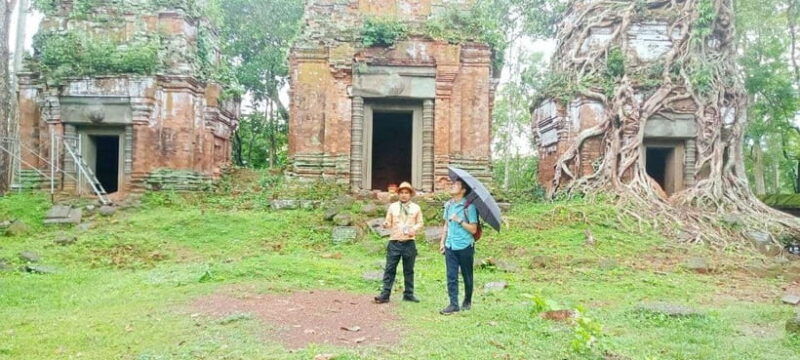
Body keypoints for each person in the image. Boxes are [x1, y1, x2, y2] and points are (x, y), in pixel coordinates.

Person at [374, 182, 424, 304]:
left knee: (409, 269)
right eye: (401, 193)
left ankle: (409, 294)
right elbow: (388, 221)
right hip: (394, 241)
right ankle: (385, 294)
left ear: (410, 194)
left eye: (406, 193)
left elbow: (420, 223)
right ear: (398, 194)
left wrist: (414, 229)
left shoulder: (416, 208)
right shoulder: (393, 207)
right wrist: (386, 224)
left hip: (409, 242)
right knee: (390, 268)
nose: (404, 195)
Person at [439, 177, 479, 315]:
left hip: (465, 246)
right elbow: (446, 224)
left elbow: (473, 229)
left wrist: (459, 220)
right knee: (451, 275)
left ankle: (467, 300)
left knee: (467, 275)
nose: (452, 186)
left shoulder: (469, 207)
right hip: (450, 245)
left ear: (463, 190)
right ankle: (453, 304)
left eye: (456, 185)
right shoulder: (448, 205)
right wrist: (442, 242)